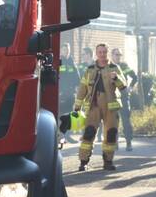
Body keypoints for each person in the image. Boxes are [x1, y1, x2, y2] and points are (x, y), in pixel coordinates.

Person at [74, 43, 126, 171]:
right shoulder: (90, 69)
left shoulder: (115, 68)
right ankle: (83, 162)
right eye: (100, 52)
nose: (102, 54)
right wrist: (77, 105)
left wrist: (116, 78)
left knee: (111, 134)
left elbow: (123, 86)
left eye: (104, 52)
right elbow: (82, 88)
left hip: (111, 107)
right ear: (96, 54)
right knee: (89, 133)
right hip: (93, 106)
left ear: (107, 53)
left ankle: (108, 161)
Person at [110, 48, 138, 151]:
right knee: (113, 120)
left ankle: (128, 142)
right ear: (112, 55)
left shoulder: (124, 66)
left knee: (126, 120)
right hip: (112, 97)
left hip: (123, 96)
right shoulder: (108, 66)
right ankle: (115, 142)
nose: (118, 57)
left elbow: (135, 77)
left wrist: (130, 88)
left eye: (120, 55)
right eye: (117, 54)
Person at [58, 43, 81, 143]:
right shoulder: (59, 61)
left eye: (67, 50)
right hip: (60, 92)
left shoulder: (72, 62)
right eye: (64, 50)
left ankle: (67, 135)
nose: (66, 51)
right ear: (61, 51)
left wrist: (77, 87)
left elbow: (77, 76)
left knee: (69, 114)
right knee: (61, 114)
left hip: (70, 93)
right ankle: (60, 136)